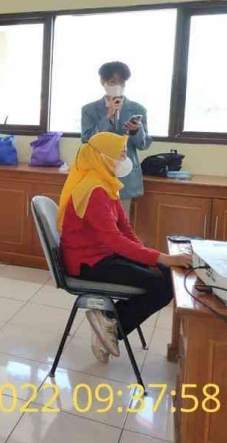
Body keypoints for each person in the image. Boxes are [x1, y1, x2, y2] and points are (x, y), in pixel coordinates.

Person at [58, 132, 191, 364]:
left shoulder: (106, 183)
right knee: (161, 285)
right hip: (87, 263)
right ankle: (111, 326)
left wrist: (152, 259)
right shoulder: (93, 190)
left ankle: (107, 322)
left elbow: (125, 229)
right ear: (102, 156)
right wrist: (163, 257)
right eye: (120, 155)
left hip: (103, 255)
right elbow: (115, 241)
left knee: (165, 274)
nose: (124, 160)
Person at [81, 61, 153, 217]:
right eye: (113, 82)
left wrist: (136, 130)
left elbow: (143, 144)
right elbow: (87, 140)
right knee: (98, 220)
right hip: (97, 173)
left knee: (122, 221)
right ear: (103, 82)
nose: (118, 86)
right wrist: (108, 116)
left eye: (122, 82)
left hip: (125, 174)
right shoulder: (89, 110)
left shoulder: (137, 109)